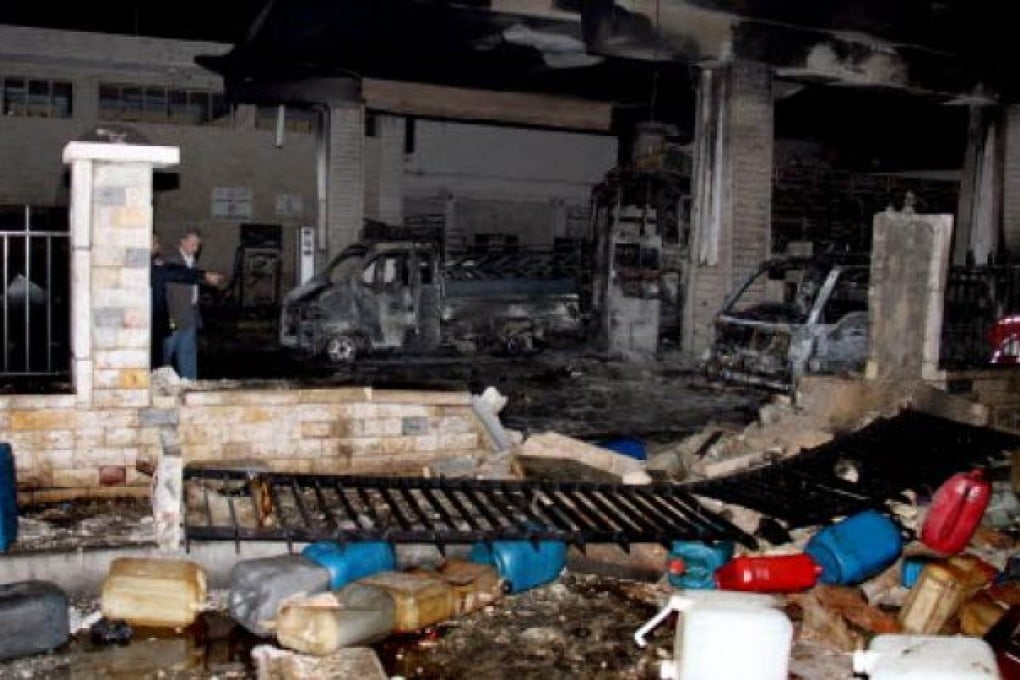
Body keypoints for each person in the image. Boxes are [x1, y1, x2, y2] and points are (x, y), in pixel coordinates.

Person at [150, 232, 222, 371]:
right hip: (172, 319)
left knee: (188, 355)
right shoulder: (169, 260)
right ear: (182, 242)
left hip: (190, 316)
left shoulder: (192, 261)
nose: (195, 248)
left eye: (198, 245)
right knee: (165, 354)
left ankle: (189, 384)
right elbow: (178, 274)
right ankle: (160, 382)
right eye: (192, 243)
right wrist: (205, 276)